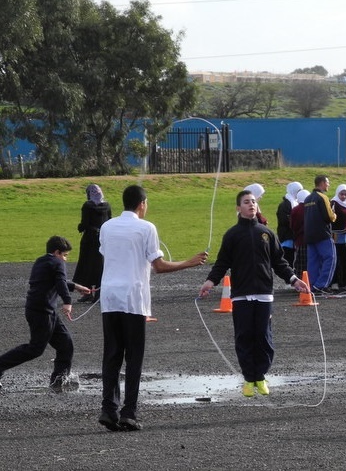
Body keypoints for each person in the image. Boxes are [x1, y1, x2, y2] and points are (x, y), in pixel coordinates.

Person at [97, 185, 208, 432]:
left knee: (112, 354)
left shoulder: (107, 226)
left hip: (110, 296)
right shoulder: (146, 228)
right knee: (134, 357)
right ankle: (129, 412)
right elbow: (159, 266)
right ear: (142, 203)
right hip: (133, 298)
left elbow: (108, 256)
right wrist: (188, 263)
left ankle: (108, 409)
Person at [200, 190, 309, 396]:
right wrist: (210, 282)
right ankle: (249, 379)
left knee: (263, 336)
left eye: (253, 202)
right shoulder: (231, 235)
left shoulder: (266, 233)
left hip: (264, 294)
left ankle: (261, 376)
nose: (251, 205)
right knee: (244, 336)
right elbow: (222, 263)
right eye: (246, 202)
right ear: (238, 208)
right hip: (241, 295)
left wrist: (294, 280)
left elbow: (279, 262)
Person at [0, 236, 91, 392]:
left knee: (65, 344)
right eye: (65, 255)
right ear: (57, 252)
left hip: (41, 310)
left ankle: (59, 380)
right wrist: (68, 302)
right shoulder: (58, 262)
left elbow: (56, 280)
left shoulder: (41, 261)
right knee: (35, 348)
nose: (65, 259)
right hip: (42, 312)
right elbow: (60, 282)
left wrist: (75, 286)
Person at [72, 184, 112, 303]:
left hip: (89, 239)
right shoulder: (107, 206)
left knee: (86, 265)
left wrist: (80, 228)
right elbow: (110, 220)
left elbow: (84, 223)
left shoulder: (87, 206)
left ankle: (87, 292)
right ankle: (99, 294)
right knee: (100, 266)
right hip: (102, 239)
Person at [303, 175, 337, 293]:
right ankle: (322, 285)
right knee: (330, 258)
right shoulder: (322, 197)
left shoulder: (307, 199)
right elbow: (330, 217)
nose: (328, 184)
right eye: (327, 182)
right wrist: (334, 214)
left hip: (309, 234)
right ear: (322, 183)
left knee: (313, 261)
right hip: (322, 234)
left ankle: (312, 285)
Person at [330, 184, 346, 291]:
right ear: (337, 193)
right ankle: (334, 282)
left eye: (345, 194)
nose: (343, 196)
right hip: (336, 236)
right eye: (341, 194)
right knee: (336, 261)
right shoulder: (333, 203)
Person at [276, 181, 303, 268]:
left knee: (293, 258)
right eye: (298, 191)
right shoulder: (284, 205)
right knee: (288, 258)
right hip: (287, 235)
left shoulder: (295, 202)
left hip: (293, 234)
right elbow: (284, 220)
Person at [290, 189, 311, 277]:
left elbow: (292, 225)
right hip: (312, 239)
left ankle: (301, 280)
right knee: (311, 261)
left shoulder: (295, 209)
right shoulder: (311, 208)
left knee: (300, 263)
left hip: (300, 240)